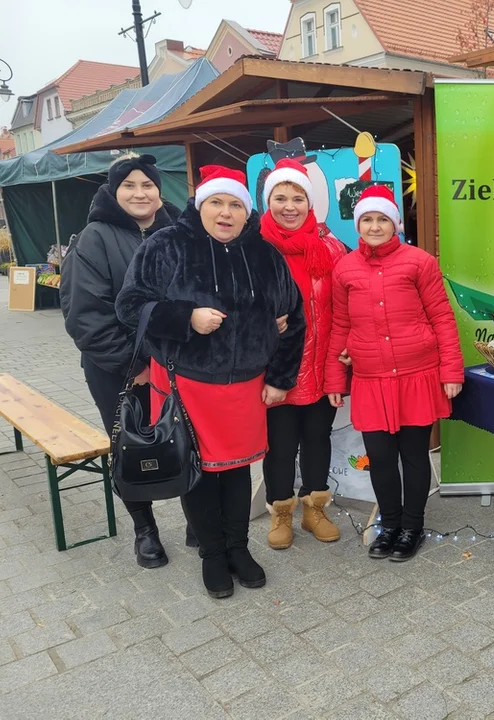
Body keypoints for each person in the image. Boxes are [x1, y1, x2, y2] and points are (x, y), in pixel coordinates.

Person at [117, 165, 305, 599]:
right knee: (198, 471)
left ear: (247, 212)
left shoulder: (265, 254)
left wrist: (280, 378)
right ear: (201, 205)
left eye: (235, 205)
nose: (225, 213)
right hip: (186, 382)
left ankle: (239, 549)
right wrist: (185, 317)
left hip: (245, 385)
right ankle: (212, 555)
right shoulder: (167, 245)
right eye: (217, 203)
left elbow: (294, 319)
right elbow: (130, 306)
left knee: (237, 471)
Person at [325, 185, 464, 563]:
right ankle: (389, 524)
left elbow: (441, 317)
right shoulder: (345, 268)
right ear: (358, 225)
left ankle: (412, 527)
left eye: (382, 219)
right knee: (381, 458)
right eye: (367, 219)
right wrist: (335, 379)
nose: (374, 226)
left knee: (414, 456)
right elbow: (339, 326)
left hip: (416, 376)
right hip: (370, 380)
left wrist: (451, 371)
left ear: (395, 223)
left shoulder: (420, 262)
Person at [61, 153, 185, 569]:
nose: (139, 193)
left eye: (147, 184)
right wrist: (133, 367)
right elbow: (85, 315)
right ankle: (144, 529)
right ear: (114, 192)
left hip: (177, 364)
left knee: (187, 440)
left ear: (159, 190)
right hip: (119, 369)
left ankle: (197, 520)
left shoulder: (180, 231)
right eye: (129, 185)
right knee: (130, 444)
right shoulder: (95, 237)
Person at [259, 159, 347, 549]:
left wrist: (343, 361)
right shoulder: (253, 251)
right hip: (277, 371)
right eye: (281, 197)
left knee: (317, 438)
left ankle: (315, 508)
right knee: (279, 445)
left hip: (322, 365)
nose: (289, 206)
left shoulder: (330, 248)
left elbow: (346, 308)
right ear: (268, 202)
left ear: (310, 204)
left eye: (298, 197)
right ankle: (280, 513)